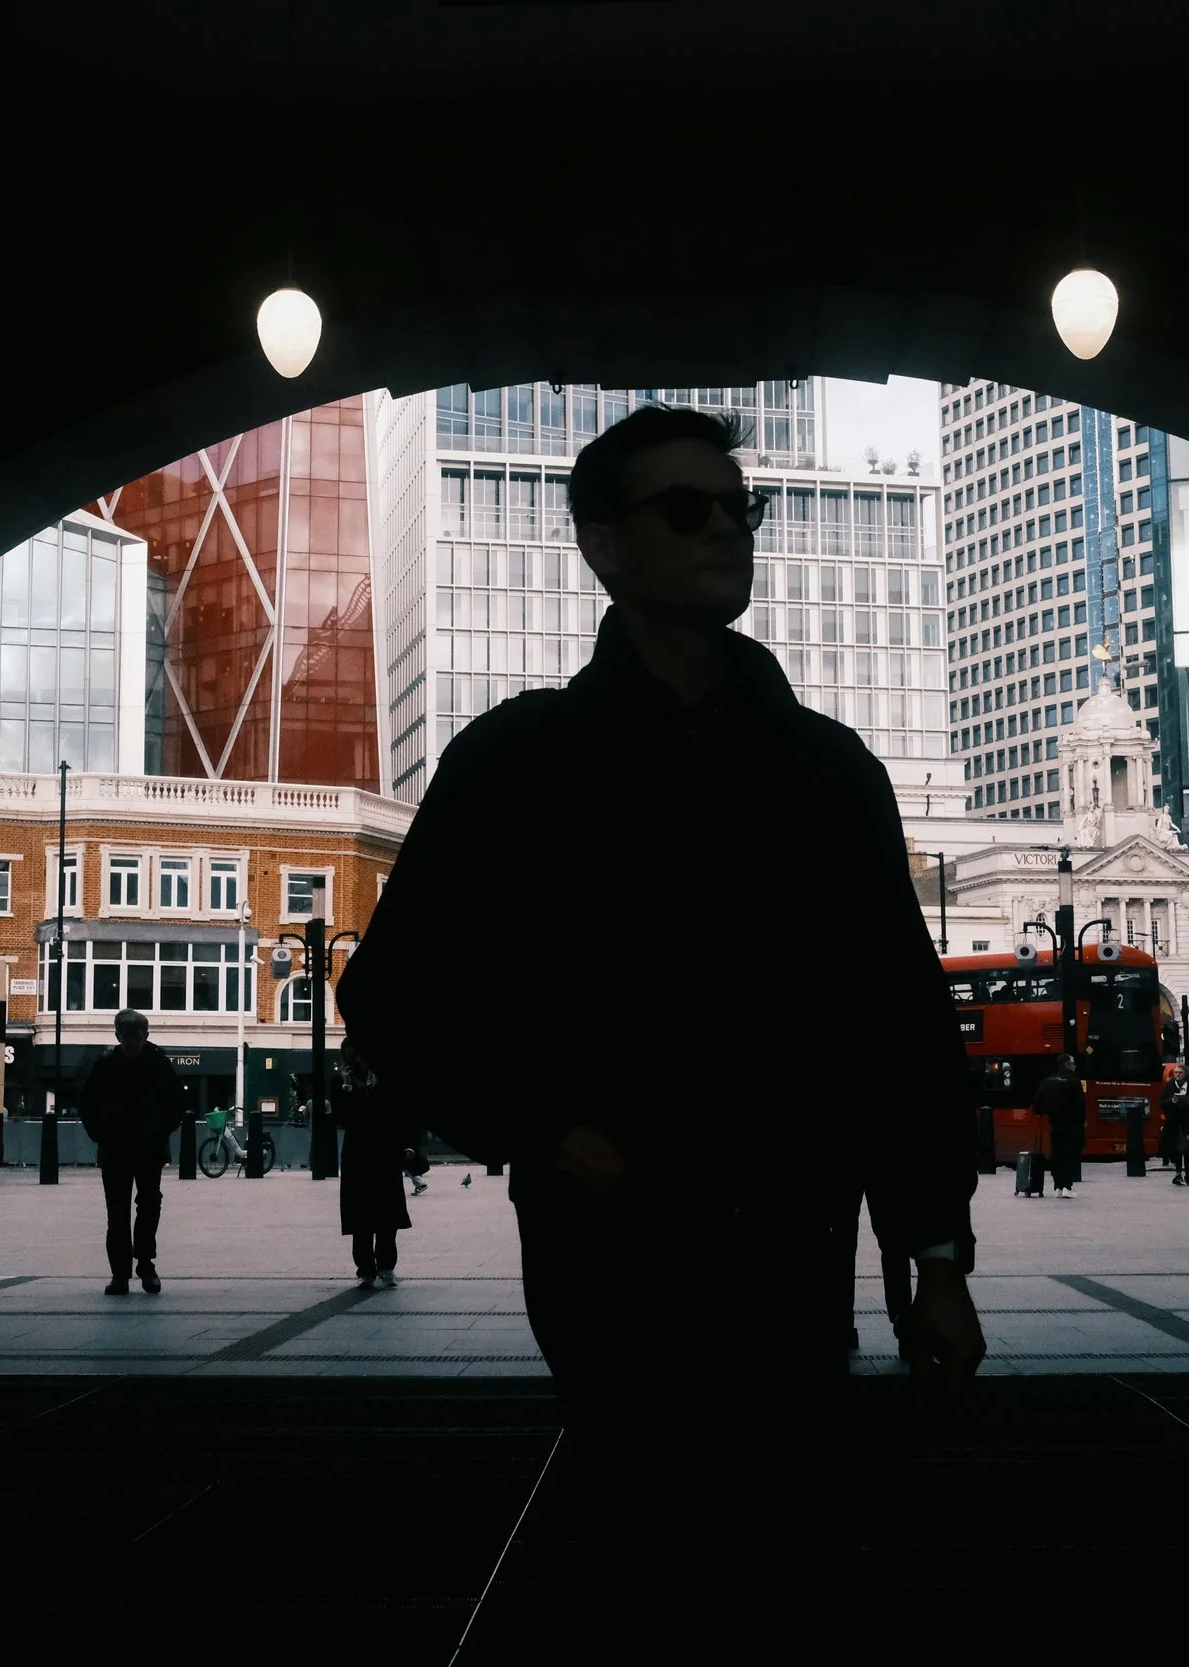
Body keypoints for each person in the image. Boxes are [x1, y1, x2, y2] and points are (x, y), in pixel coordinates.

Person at [334, 404, 983, 1467]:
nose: (727, 527)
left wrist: (939, 1260)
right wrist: (534, 1122)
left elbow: (899, 1031)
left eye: (741, 506)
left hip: (792, 1254)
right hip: (609, 1263)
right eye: (688, 508)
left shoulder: (829, 773)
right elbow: (391, 993)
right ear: (603, 545)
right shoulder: (516, 762)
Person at [78, 1008, 184, 1296]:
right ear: (119, 1035)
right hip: (122, 1149)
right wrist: (102, 1134)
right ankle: (128, 1271)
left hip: (140, 1149)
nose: (132, 1042)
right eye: (128, 1036)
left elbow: (176, 1105)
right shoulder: (114, 1065)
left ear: (145, 1035)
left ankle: (138, 1267)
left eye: (135, 1036)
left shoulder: (153, 1064)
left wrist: (159, 1131)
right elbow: (87, 1105)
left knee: (142, 1207)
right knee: (124, 1211)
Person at [334, 1042, 417, 1287]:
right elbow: (341, 1118)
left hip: (385, 1154)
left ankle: (386, 1267)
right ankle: (366, 1269)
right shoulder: (340, 1084)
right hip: (357, 1157)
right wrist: (347, 1088)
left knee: (387, 1216)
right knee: (360, 1217)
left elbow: (405, 1112)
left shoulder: (388, 1079)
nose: (357, 1061)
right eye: (351, 1057)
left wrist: (410, 1145)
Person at [1031, 1054, 1087, 1199]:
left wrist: (1043, 1113)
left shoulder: (1049, 1080)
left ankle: (1058, 1187)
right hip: (1072, 1124)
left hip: (1055, 1124)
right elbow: (1080, 1105)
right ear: (1067, 1064)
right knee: (1070, 1154)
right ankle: (1067, 1187)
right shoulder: (1074, 1081)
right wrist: (1082, 1122)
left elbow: (1037, 1100)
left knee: (1057, 1155)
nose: (1075, 1066)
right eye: (1073, 1063)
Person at [1161, 1064, 1189, 1185]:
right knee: (1177, 1149)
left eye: (1180, 1073)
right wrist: (1171, 1101)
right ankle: (1178, 1174)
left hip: (1188, 1122)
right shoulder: (1170, 1085)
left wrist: (1184, 1101)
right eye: (1176, 1072)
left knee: (1188, 1150)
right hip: (1174, 1122)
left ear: (1185, 1074)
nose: (1177, 1075)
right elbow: (1162, 1101)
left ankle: (1187, 1174)